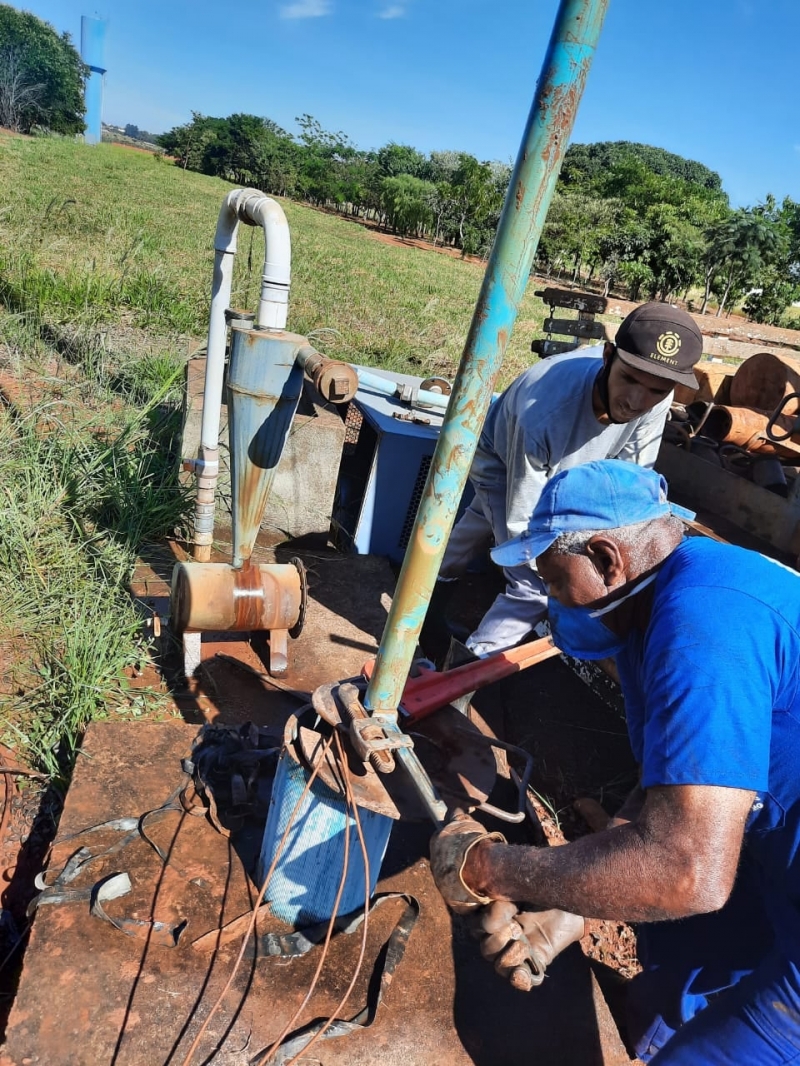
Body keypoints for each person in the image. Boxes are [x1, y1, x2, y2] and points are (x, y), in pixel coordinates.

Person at [430, 459, 800, 1064]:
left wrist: (491, 870)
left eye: (552, 581)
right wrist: (573, 905)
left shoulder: (706, 628)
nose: (551, 601)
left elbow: (686, 872)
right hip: (776, 849)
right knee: (681, 951)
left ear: (606, 559)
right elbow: (668, 795)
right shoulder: (644, 611)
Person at [421, 302, 703, 660]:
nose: (636, 401)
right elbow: (524, 524)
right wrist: (567, 572)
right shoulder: (543, 410)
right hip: (503, 463)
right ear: (608, 355)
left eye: (655, 391)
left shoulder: (658, 399)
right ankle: (472, 664)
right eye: (629, 379)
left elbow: (629, 485)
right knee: (536, 584)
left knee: (477, 524)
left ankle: (425, 596)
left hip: (571, 471)